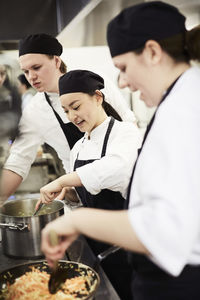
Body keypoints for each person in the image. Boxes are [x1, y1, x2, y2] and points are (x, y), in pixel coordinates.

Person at [41, 2, 200, 299]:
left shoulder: (185, 110)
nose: (123, 82)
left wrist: (77, 220)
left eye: (124, 68)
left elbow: (167, 230)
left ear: (153, 52)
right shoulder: (180, 102)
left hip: (178, 283)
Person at [38, 69, 140, 299]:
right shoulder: (78, 148)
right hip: (94, 248)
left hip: (126, 246)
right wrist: (70, 194)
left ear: (97, 97)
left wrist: (63, 179)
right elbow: (85, 197)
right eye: (66, 111)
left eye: (76, 106)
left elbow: (117, 169)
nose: (72, 116)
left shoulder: (125, 134)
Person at [0, 33, 137, 204]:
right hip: (83, 196)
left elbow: (128, 124)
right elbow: (18, 161)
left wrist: (63, 181)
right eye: (26, 71)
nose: (31, 77)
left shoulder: (93, 82)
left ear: (56, 61)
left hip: (127, 189)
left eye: (36, 67)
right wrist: (71, 190)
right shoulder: (35, 111)